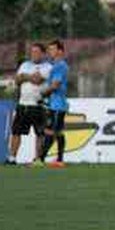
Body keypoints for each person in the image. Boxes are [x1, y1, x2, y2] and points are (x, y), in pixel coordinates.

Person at [6, 43, 52, 165]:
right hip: (23, 104)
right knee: (16, 132)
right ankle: (12, 158)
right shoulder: (25, 65)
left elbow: (38, 80)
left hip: (38, 105)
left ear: (43, 53)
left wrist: (24, 76)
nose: (34, 54)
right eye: (32, 52)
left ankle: (37, 159)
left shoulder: (47, 67)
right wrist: (28, 77)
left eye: (37, 52)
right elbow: (17, 80)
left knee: (40, 134)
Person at [40, 39, 69, 167]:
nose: (50, 52)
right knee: (58, 132)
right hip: (58, 104)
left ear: (60, 51)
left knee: (50, 132)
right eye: (49, 49)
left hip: (57, 105)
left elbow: (55, 85)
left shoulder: (59, 66)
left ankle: (40, 160)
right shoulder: (59, 65)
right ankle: (59, 160)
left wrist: (43, 94)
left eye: (53, 49)